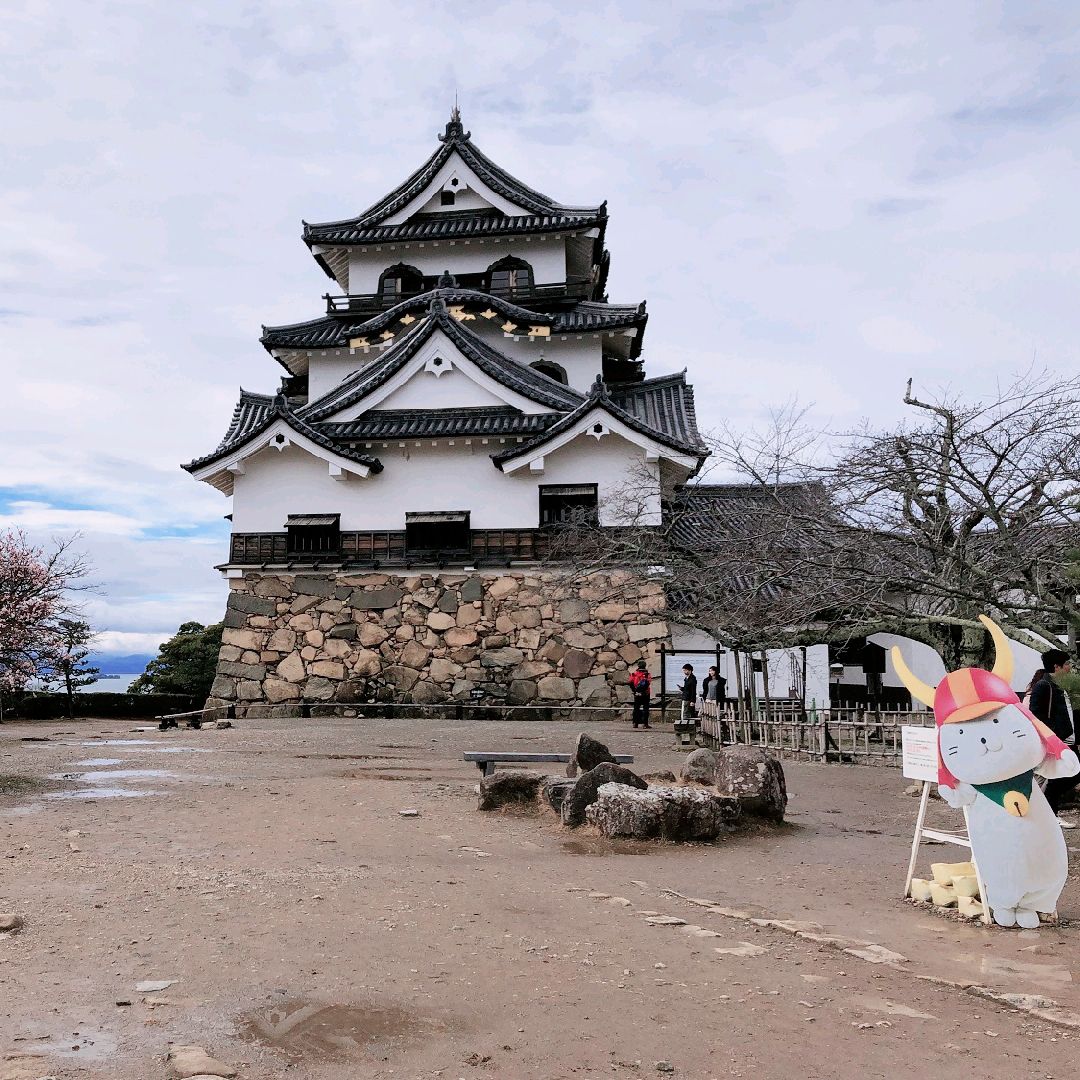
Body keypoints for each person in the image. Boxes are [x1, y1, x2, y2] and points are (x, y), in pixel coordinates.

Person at [1028, 649, 1077, 828]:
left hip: (1068, 739)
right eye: (1066, 664)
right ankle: (1049, 813)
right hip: (1058, 741)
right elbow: (1035, 715)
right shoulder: (1044, 686)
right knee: (1063, 776)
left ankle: (1048, 811)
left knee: (1069, 774)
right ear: (1056, 667)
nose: (1069, 668)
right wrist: (1052, 734)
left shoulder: (1062, 686)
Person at [629, 660, 652, 729]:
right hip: (646, 693)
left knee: (636, 708)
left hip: (637, 693)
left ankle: (635, 723)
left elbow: (630, 682)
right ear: (645, 665)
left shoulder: (634, 673)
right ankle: (645, 724)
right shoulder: (647, 674)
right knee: (646, 708)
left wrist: (635, 691)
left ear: (638, 666)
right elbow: (648, 683)